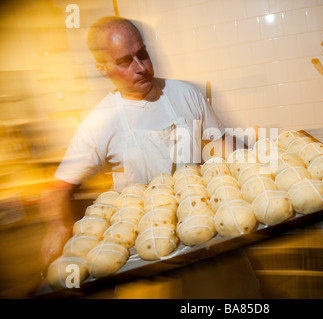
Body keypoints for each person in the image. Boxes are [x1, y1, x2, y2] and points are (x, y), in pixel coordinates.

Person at [39, 16, 261, 298]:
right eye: (125, 61)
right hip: (142, 250)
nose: (141, 67)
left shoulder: (185, 94)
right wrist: (57, 225)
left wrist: (253, 165)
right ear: (103, 69)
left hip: (204, 231)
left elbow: (219, 144)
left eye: (142, 54)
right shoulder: (100, 122)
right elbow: (60, 187)